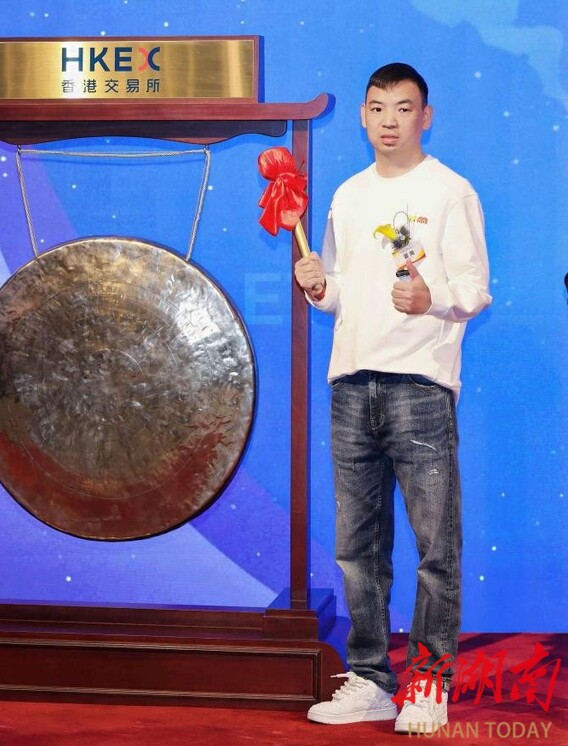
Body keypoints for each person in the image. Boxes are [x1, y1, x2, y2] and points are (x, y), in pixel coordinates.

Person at [296, 63, 491, 735]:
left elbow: (475, 287)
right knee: (357, 548)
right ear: (362, 115)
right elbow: (339, 291)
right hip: (351, 384)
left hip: (420, 387)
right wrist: (317, 284)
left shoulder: (450, 191)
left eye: (403, 109)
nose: (389, 120)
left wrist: (431, 298)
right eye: (378, 107)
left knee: (436, 545)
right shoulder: (348, 195)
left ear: (424, 117)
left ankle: (430, 683)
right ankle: (372, 680)